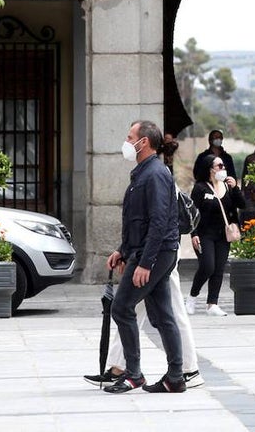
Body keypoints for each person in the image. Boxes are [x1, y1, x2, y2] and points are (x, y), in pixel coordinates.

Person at [104, 120, 184, 394]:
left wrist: (145, 263)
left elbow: (159, 223)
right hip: (149, 251)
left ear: (144, 142)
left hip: (157, 253)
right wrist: (122, 249)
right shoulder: (143, 173)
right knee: (162, 315)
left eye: (130, 137)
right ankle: (175, 377)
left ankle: (134, 374)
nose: (126, 143)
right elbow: (137, 220)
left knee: (122, 308)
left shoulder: (155, 174)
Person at [187, 155, 245, 316]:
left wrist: (236, 188)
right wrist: (194, 234)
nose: (223, 168)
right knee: (207, 266)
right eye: (219, 166)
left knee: (219, 268)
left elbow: (242, 204)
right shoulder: (200, 188)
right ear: (210, 168)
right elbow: (192, 213)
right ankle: (192, 297)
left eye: (223, 165)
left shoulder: (227, 186)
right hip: (205, 234)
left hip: (223, 235)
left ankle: (212, 303)